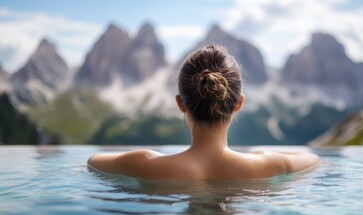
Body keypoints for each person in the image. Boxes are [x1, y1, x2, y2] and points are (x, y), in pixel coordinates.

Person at [88, 45, 319, 179]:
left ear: (180, 104)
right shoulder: (271, 165)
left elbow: (92, 161)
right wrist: (261, 152)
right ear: (238, 104)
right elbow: (313, 159)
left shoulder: (142, 163)